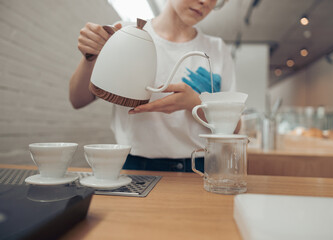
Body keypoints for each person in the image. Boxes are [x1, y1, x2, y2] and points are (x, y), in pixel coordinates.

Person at [69, 0, 236, 172]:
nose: (205, 2)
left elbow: (235, 127)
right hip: (135, 165)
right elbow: (78, 100)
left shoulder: (217, 49)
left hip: (201, 166)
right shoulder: (124, 33)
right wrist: (89, 59)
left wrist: (193, 103)